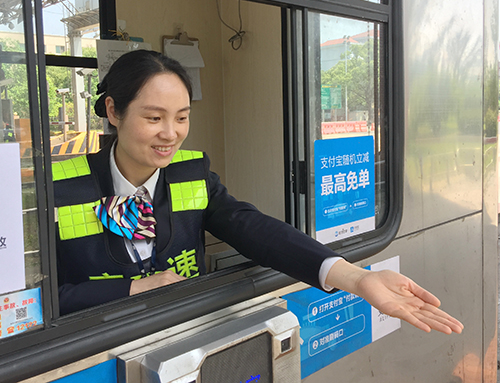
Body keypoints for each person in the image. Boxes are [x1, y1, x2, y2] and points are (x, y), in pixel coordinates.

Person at [53, 50, 463, 335]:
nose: (171, 134)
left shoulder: (191, 174)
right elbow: (40, 301)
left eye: (181, 118)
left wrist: (355, 278)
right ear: (114, 111)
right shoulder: (60, 189)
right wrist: (131, 289)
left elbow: (253, 228)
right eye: (154, 118)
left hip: (180, 340)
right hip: (93, 353)